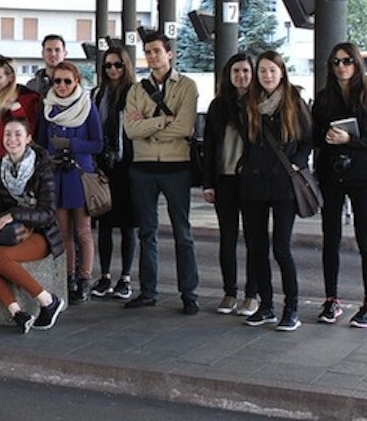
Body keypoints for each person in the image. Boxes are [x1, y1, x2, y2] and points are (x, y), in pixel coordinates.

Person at [123, 32, 200, 314]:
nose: (152, 56)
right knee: (147, 232)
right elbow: (131, 130)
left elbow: (185, 128)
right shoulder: (136, 90)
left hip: (176, 167)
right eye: (148, 51)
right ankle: (148, 291)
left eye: (157, 51)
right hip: (142, 168)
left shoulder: (187, 86)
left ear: (169, 54)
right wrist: (164, 120)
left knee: (183, 233)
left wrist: (149, 125)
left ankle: (189, 294)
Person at [313, 43, 367, 328]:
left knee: (365, 239)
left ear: (356, 64)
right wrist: (327, 136)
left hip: (363, 176)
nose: (341, 66)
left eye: (347, 61)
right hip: (332, 175)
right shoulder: (324, 98)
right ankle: (331, 300)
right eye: (335, 62)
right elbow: (315, 136)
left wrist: (350, 140)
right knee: (330, 238)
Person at [239, 51, 311, 332]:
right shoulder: (249, 102)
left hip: (283, 185)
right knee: (257, 248)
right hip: (254, 184)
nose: (267, 76)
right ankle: (266, 306)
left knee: (281, 248)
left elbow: (308, 140)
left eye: (272, 70)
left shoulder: (294, 100)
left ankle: (291, 308)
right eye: (263, 71)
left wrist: (296, 162)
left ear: (282, 72)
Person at [0, 117, 66, 333]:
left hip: (42, 233)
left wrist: (15, 215)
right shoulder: (1, 167)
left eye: (17, 134)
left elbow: (48, 213)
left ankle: (48, 301)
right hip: (10, 231)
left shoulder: (42, 168)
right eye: (7, 134)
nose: (12, 139)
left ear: (28, 139)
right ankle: (17, 312)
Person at [37, 61, 103, 304]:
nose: (62, 86)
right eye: (57, 81)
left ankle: (85, 278)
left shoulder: (88, 106)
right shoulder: (47, 108)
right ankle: (68, 277)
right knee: (63, 232)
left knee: (83, 231)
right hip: (56, 175)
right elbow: (40, 142)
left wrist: (72, 145)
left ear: (77, 81)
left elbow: (98, 143)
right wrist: (50, 155)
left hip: (80, 175)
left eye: (67, 81)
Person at [202, 53, 258, 316]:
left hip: (252, 181)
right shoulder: (218, 106)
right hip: (224, 180)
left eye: (246, 71)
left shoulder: (260, 103)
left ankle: (252, 295)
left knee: (253, 239)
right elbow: (210, 147)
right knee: (227, 238)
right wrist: (208, 183)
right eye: (236, 71)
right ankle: (229, 292)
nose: (241, 76)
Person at [89, 47, 137, 300]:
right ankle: (105, 275)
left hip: (127, 164)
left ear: (126, 66)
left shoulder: (134, 92)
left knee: (129, 224)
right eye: (108, 66)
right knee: (105, 222)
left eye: (117, 65)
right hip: (104, 166)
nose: (113, 70)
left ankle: (126, 278)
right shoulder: (98, 93)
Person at [0, 53, 41, 168]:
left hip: (16, 165)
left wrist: (16, 109)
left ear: (10, 78)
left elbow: (30, 133)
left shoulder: (29, 99)